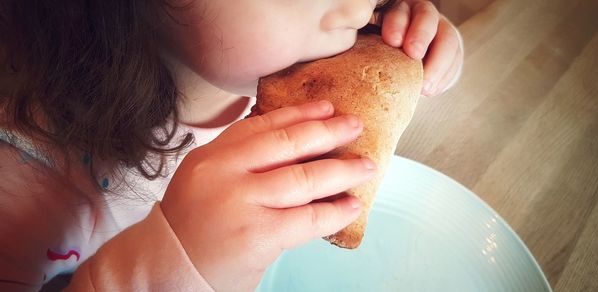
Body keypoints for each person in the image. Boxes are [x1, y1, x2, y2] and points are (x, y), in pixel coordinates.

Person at [0, 0, 463, 290]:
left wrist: (417, 34)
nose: (359, 9)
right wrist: (171, 264)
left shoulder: (312, 48)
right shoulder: (24, 170)